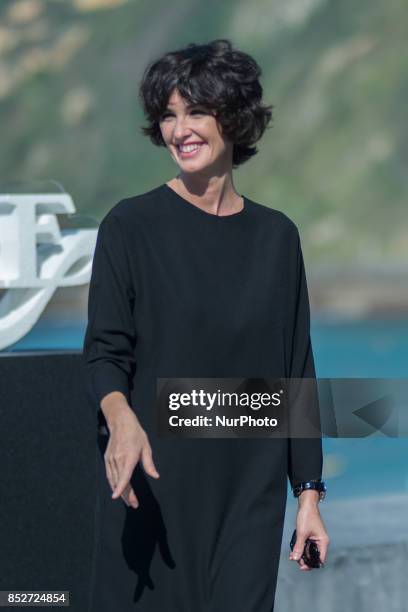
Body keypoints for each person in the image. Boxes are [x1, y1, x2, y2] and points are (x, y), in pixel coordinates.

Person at [82, 38, 330, 612]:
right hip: (154, 489)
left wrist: (310, 495)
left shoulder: (277, 238)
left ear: (234, 118)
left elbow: (296, 373)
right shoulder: (130, 227)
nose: (179, 129)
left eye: (196, 110)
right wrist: (121, 421)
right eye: (168, 115)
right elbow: (103, 352)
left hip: (250, 495)